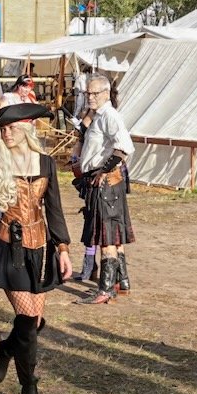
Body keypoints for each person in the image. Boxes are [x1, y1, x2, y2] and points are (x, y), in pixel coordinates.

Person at [0, 103, 71, 394]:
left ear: (27, 129)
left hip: (38, 248)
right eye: (3, 129)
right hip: (7, 246)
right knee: (28, 321)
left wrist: (63, 249)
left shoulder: (45, 164)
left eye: (12, 128)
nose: (6, 134)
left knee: (36, 322)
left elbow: (54, 208)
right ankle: (29, 385)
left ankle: (6, 349)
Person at [75, 74, 134, 304]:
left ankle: (106, 289)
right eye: (87, 93)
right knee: (114, 235)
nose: (89, 97)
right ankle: (121, 282)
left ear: (105, 93)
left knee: (107, 236)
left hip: (107, 184)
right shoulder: (98, 115)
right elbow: (81, 133)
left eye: (94, 93)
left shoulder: (110, 116)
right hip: (105, 184)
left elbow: (124, 147)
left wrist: (102, 171)